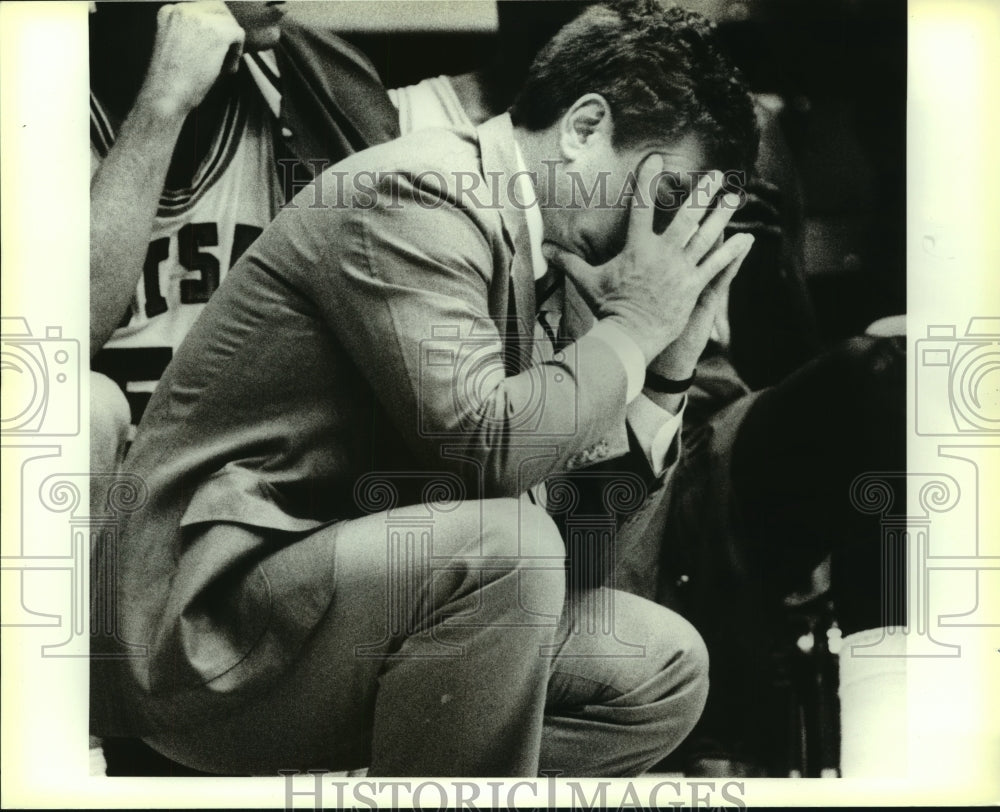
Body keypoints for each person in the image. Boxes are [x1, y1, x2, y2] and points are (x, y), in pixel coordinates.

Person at [90, 0, 760, 777]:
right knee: (508, 548)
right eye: (666, 199)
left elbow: (572, 561)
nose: (664, 245)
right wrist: (638, 324)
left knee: (660, 667)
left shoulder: (550, 252)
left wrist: (669, 367)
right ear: (583, 128)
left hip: (334, 608)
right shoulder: (420, 191)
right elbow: (485, 451)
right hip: (202, 632)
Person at [388, 1, 906, 775]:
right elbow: (467, 424)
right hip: (537, 423)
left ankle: (891, 740)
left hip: (706, 422)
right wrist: (622, 323)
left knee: (899, 379)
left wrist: (748, 283)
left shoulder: (714, 123)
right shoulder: (422, 141)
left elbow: (778, 360)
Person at [87, 1, 399, 487]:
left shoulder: (317, 79)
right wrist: (163, 103)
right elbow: (54, 344)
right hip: (96, 507)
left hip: (242, 496)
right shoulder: (39, 83)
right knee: (85, 410)